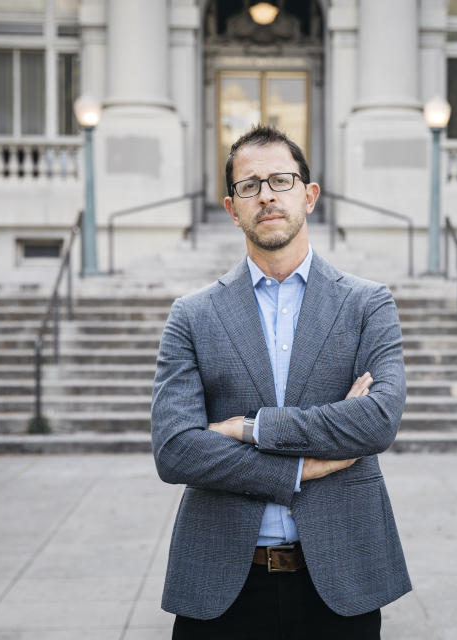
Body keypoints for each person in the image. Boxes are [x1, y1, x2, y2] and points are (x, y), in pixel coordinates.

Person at [151, 124, 411, 639]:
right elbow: (176, 450)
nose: (266, 195)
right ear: (232, 208)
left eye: (281, 180)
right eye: (249, 186)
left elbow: (378, 421)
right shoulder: (192, 315)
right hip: (223, 583)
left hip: (341, 579)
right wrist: (299, 471)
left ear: (309, 195)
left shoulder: (367, 303)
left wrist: (248, 429)